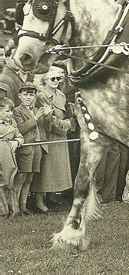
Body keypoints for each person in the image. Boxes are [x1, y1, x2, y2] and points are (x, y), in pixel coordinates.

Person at [31, 66, 73, 212]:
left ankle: (52, 197)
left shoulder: (61, 94)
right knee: (46, 168)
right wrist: (66, 125)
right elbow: (48, 118)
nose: (56, 81)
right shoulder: (41, 95)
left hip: (60, 134)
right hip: (49, 134)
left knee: (57, 168)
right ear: (45, 80)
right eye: (52, 79)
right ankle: (38, 201)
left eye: (58, 78)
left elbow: (67, 113)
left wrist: (67, 123)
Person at [13, 82, 50, 215]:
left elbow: (45, 128)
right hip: (26, 148)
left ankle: (23, 207)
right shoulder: (17, 111)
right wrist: (36, 118)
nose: (28, 97)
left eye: (31, 94)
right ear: (19, 95)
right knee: (21, 177)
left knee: (30, 178)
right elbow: (21, 129)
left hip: (37, 147)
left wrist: (46, 117)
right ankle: (15, 208)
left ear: (35, 96)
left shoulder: (36, 110)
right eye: (25, 94)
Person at [0, 97, 23, 218]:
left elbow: (20, 136)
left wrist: (16, 142)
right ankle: (3, 212)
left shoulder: (12, 123)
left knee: (11, 182)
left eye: (11, 111)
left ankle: (14, 211)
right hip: (0, 156)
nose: (10, 114)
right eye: (7, 111)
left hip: (9, 157)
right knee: (1, 184)